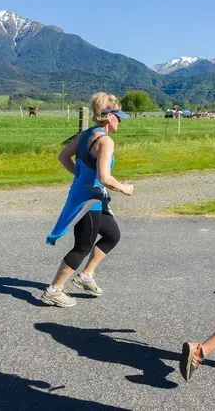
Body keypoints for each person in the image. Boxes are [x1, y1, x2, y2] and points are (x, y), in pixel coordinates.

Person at [42, 92, 133, 307]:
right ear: (109, 116)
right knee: (82, 247)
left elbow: (63, 157)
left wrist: (80, 176)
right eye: (118, 116)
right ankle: (53, 291)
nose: (120, 120)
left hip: (90, 196)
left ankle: (86, 276)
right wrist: (123, 188)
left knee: (112, 235)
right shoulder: (105, 141)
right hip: (89, 201)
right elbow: (104, 177)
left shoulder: (86, 135)